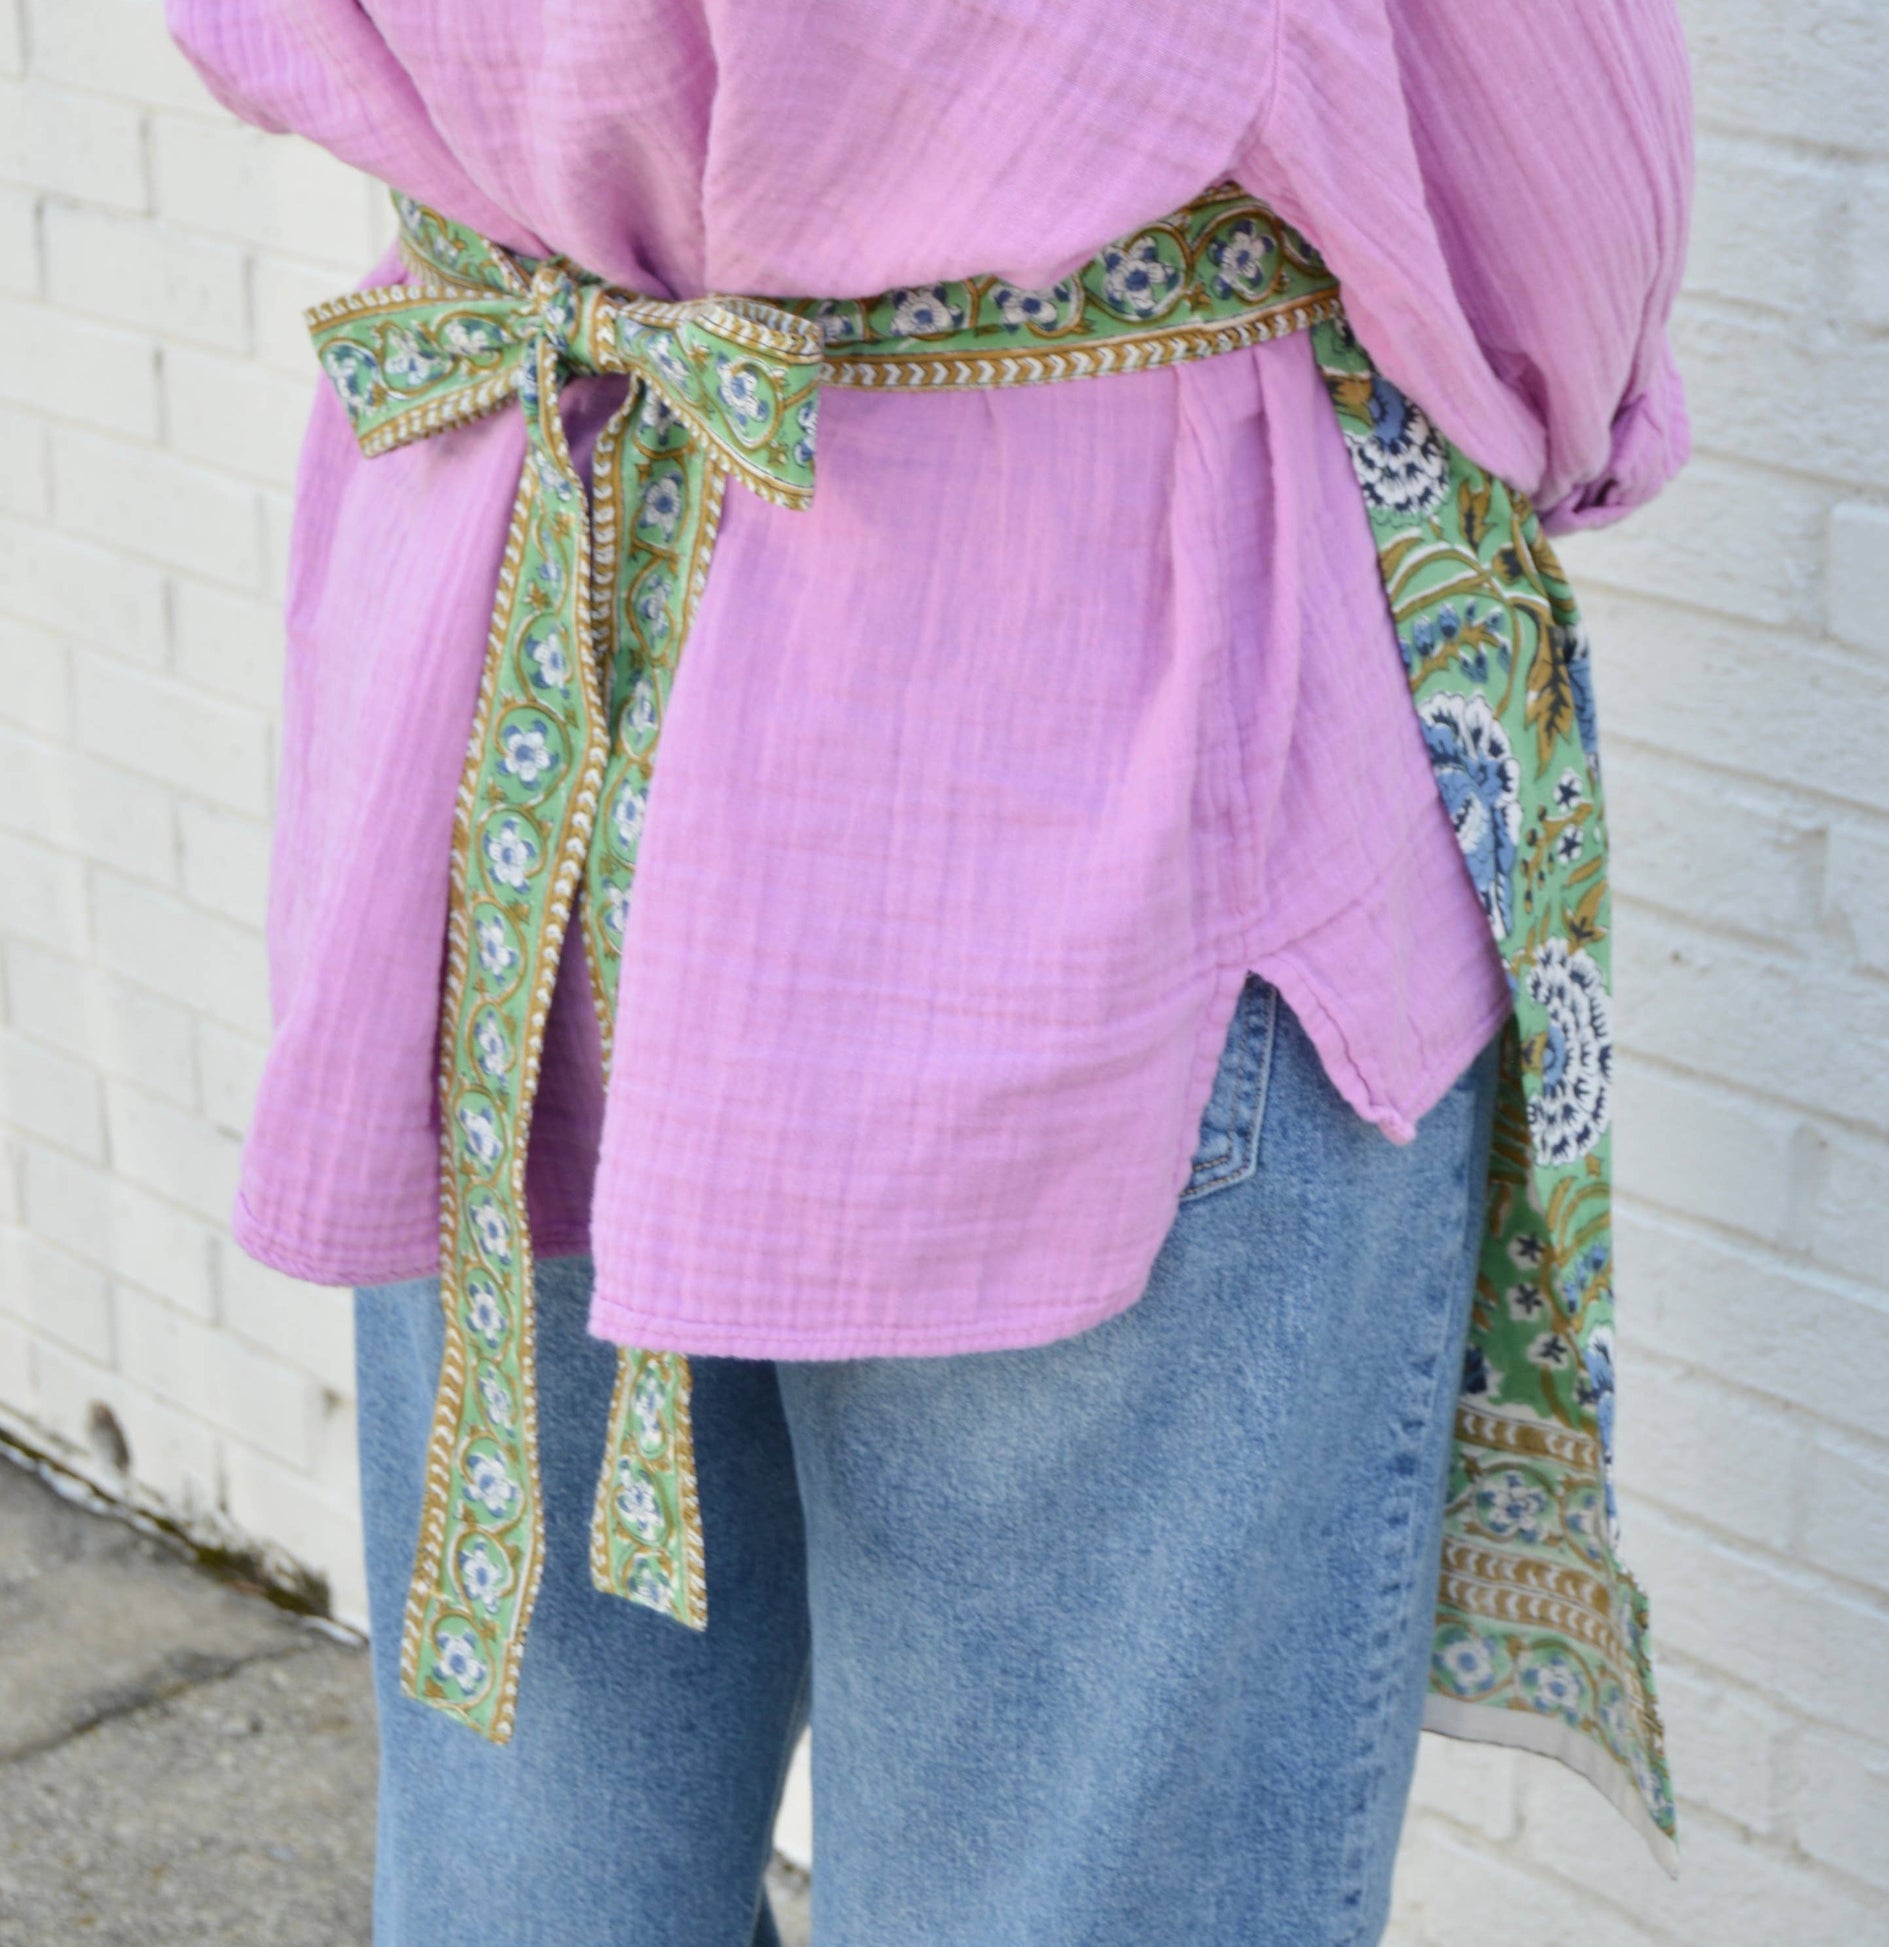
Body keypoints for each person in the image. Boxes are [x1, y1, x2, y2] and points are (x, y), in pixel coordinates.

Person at [166, 3, 1693, 1941]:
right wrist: (1579, 405)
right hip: (1091, 722)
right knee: (1067, 1880)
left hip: (519, 686)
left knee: (532, 1851)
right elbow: (1545, 170)